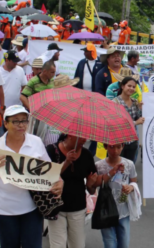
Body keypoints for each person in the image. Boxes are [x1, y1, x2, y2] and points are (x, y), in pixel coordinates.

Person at [0, 105, 63, 248]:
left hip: (32, 208)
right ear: (6, 123)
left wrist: (59, 182)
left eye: (24, 120)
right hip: (4, 210)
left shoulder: (35, 142)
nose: (21, 125)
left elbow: (50, 171)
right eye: (16, 121)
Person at [46, 133, 97, 248]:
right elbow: (47, 178)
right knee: (58, 245)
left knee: (78, 245)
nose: (84, 140)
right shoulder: (51, 151)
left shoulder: (86, 155)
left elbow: (92, 189)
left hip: (78, 208)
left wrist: (90, 185)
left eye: (85, 138)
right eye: (81, 138)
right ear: (69, 135)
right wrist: (67, 162)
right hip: (56, 206)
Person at [95, 142, 137, 248]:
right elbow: (93, 186)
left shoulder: (129, 164)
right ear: (105, 146)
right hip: (106, 210)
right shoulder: (99, 166)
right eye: (112, 147)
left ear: (123, 146)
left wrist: (130, 187)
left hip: (123, 210)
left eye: (119, 147)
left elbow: (133, 182)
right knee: (109, 244)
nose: (115, 151)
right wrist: (110, 174)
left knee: (124, 243)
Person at [112, 77, 144, 162]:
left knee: (129, 167)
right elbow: (117, 122)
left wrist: (140, 108)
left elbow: (138, 117)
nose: (131, 88)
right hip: (118, 142)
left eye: (133, 87)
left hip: (132, 141)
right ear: (122, 86)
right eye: (129, 86)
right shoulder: (115, 102)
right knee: (117, 167)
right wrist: (136, 122)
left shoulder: (134, 102)